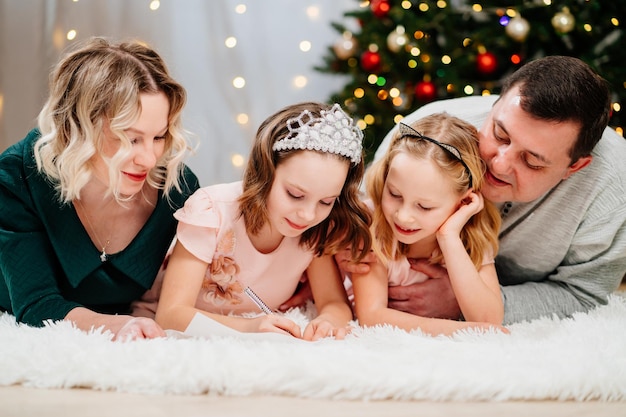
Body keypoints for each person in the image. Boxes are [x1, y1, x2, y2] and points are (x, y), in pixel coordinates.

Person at [338, 55, 626, 324]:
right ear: (495, 104)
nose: (499, 165)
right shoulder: (420, 135)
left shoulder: (614, 189)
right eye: (500, 135)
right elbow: (358, 210)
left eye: (531, 161)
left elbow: (584, 293)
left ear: (574, 167)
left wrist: (466, 300)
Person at [0, 37, 200, 340]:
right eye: (130, 139)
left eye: (158, 137)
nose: (149, 158)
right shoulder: (16, 176)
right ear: (78, 129)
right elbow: (36, 304)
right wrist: (115, 325)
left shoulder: (177, 187)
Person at [152, 102, 372, 341]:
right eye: (295, 195)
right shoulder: (211, 212)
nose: (308, 215)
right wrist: (249, 329)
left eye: (326, 202)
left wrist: (327, 321)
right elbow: (170, 315)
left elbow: (334, 302)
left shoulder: (316, 230)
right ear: (265, 172)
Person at [350, 113, 504, 335]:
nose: (403, 216)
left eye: (424, 207)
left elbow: (489, 319)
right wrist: (460, 330)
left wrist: (449, 237)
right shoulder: (373, 222)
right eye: (394, 194)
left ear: (463, 202)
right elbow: (371, 315)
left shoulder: (469, 234)